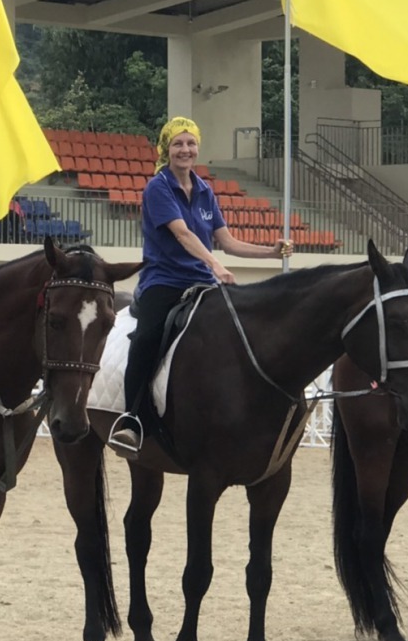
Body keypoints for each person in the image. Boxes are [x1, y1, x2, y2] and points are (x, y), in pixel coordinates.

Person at [108, 116, 292, 460]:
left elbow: (227, 241)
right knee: (147, 337)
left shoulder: (206, 190)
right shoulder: (158, 187)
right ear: (166, 149)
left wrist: (270, 251)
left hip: (201, 283)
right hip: (163, 281)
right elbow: (183, 234)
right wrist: (215, 265)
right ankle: (133, 418)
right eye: (178, 143)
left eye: (191, 143)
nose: (185, 149)